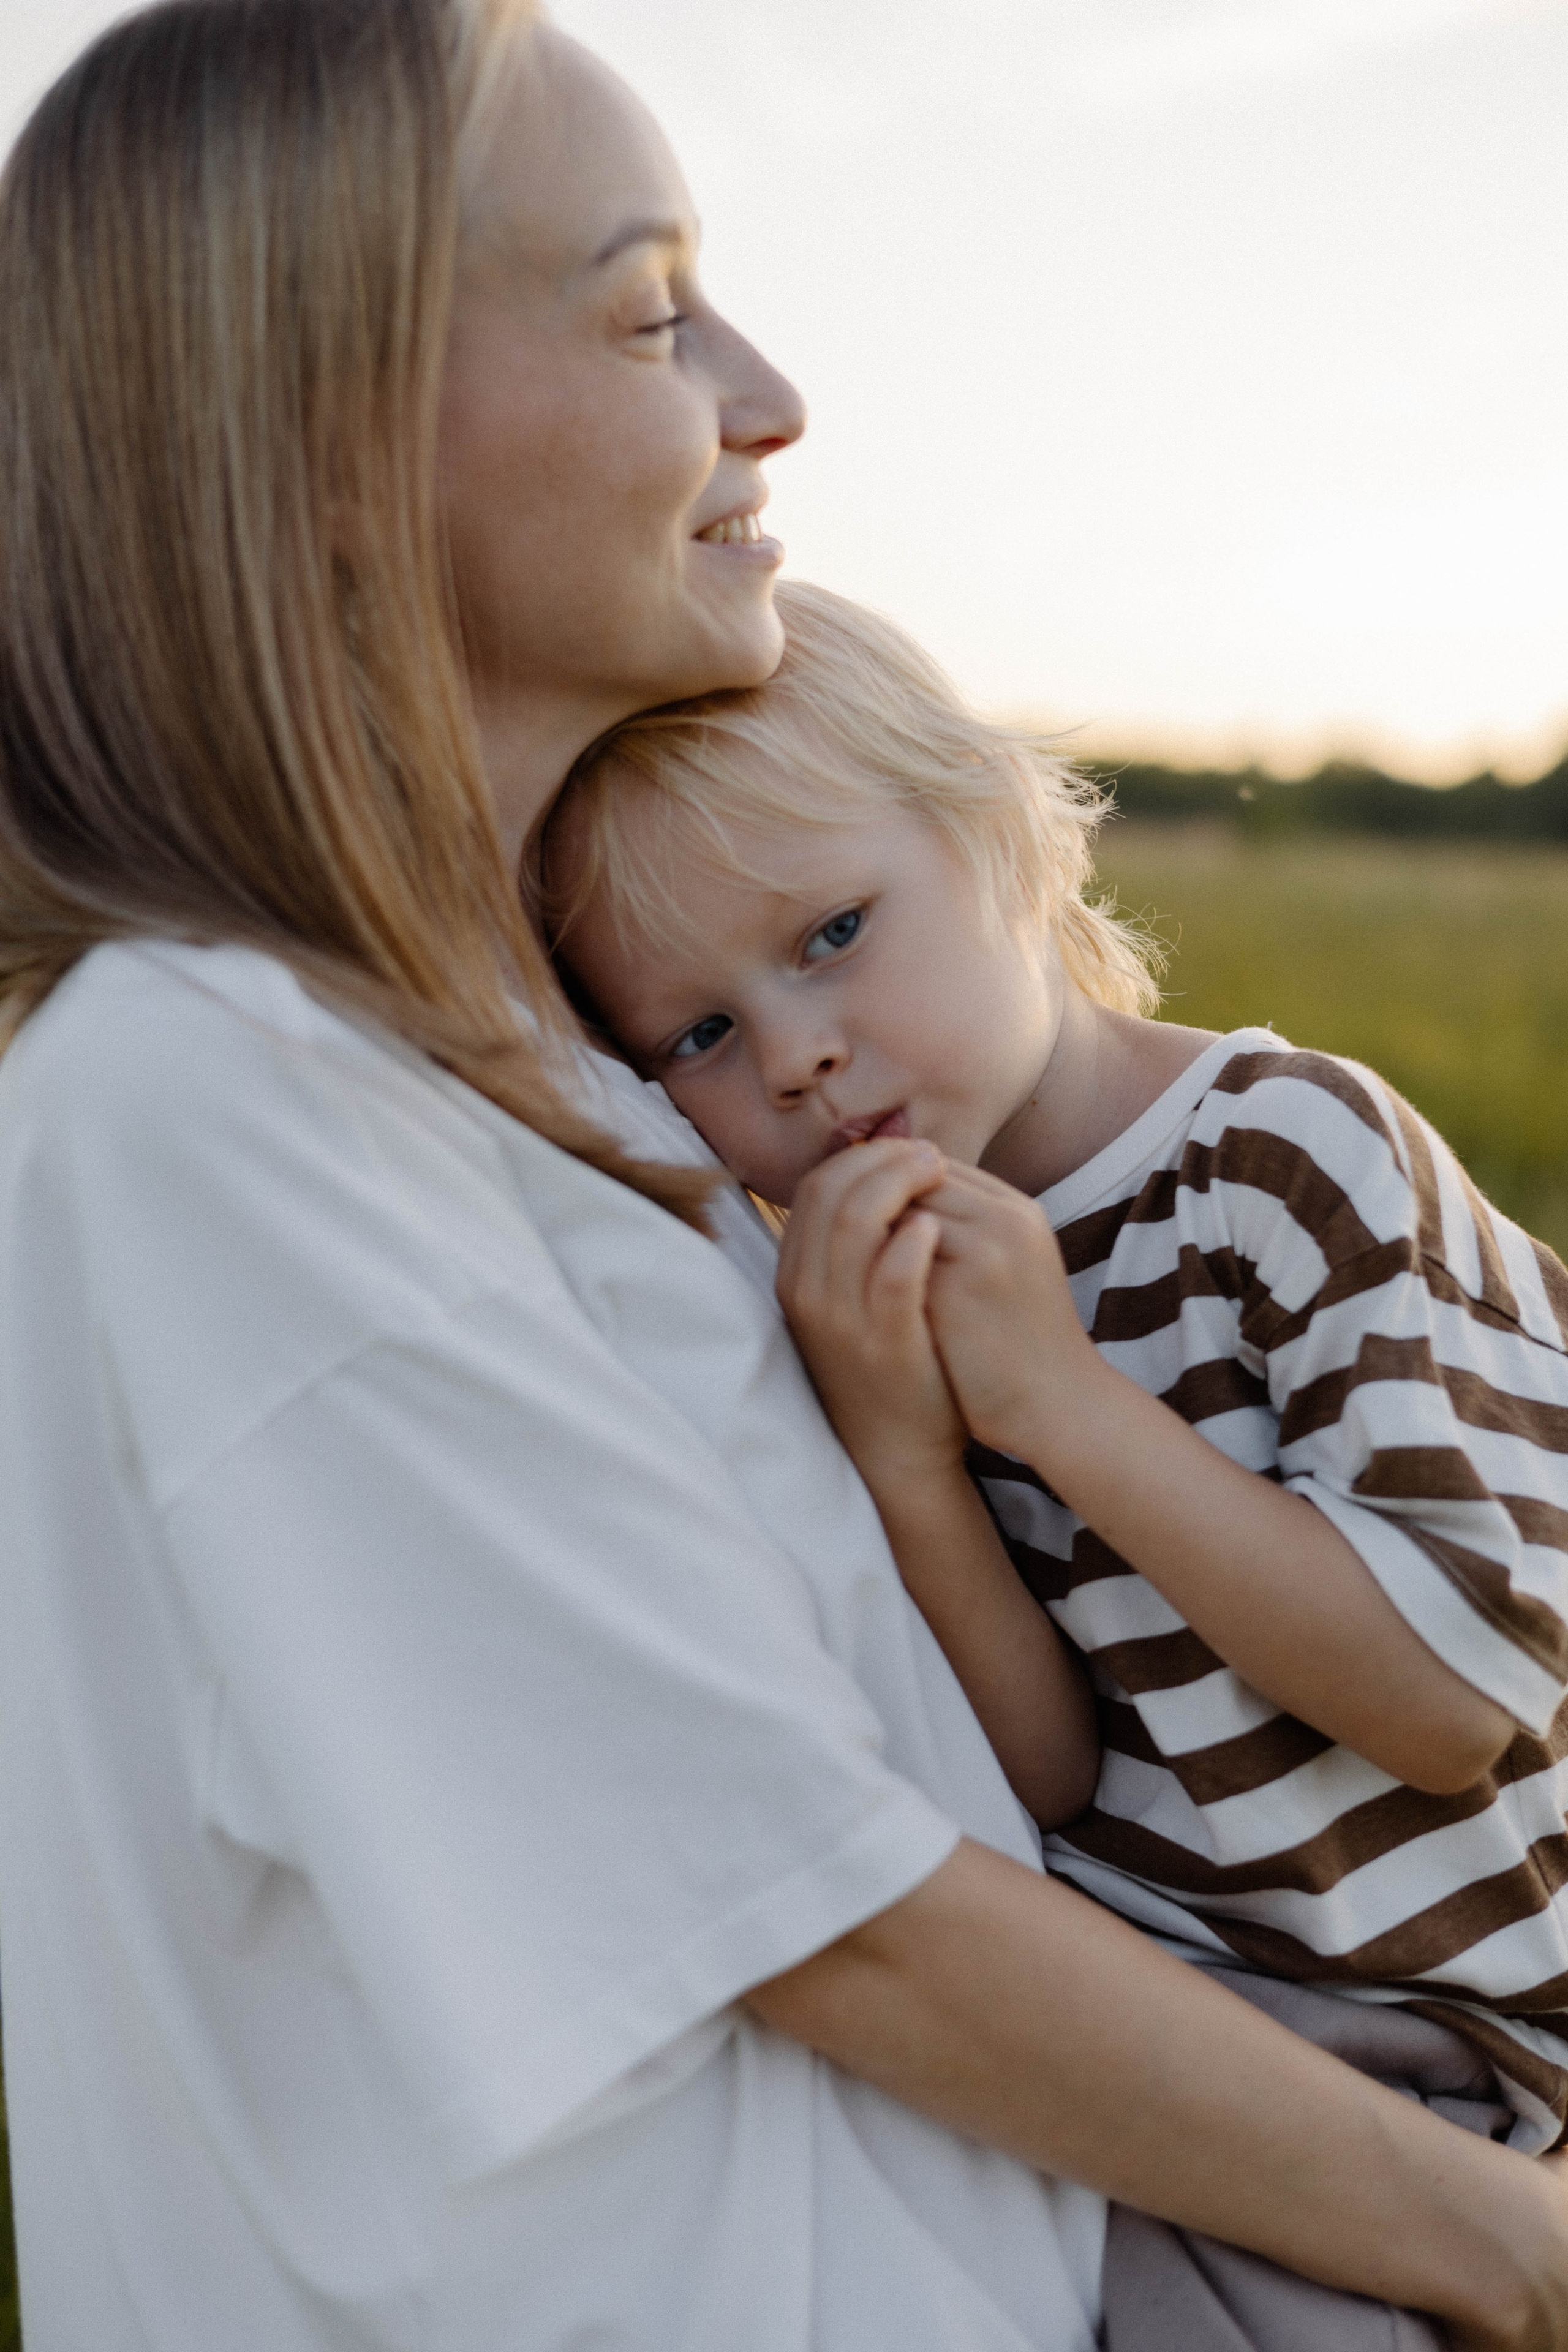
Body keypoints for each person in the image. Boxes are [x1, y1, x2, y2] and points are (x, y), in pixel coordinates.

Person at [0, 6, 1564, 2350]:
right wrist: (1510, 2253)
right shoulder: (209, 1098)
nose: (772, 395)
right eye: (652, 312)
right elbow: (818, 1906)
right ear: (331, 434)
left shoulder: (571, 1071)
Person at [543, 578, 1568, 2323]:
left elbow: (1454, 1699)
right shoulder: (864, 1294)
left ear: (1004, 838)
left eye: (833, 933)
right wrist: (909, 1460)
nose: (796, 1055)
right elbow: (1048, 1774)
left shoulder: (1283, 1159)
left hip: (1442, 2036)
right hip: (1159, 2038)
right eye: (698, 1035)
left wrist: (1055, 1403)